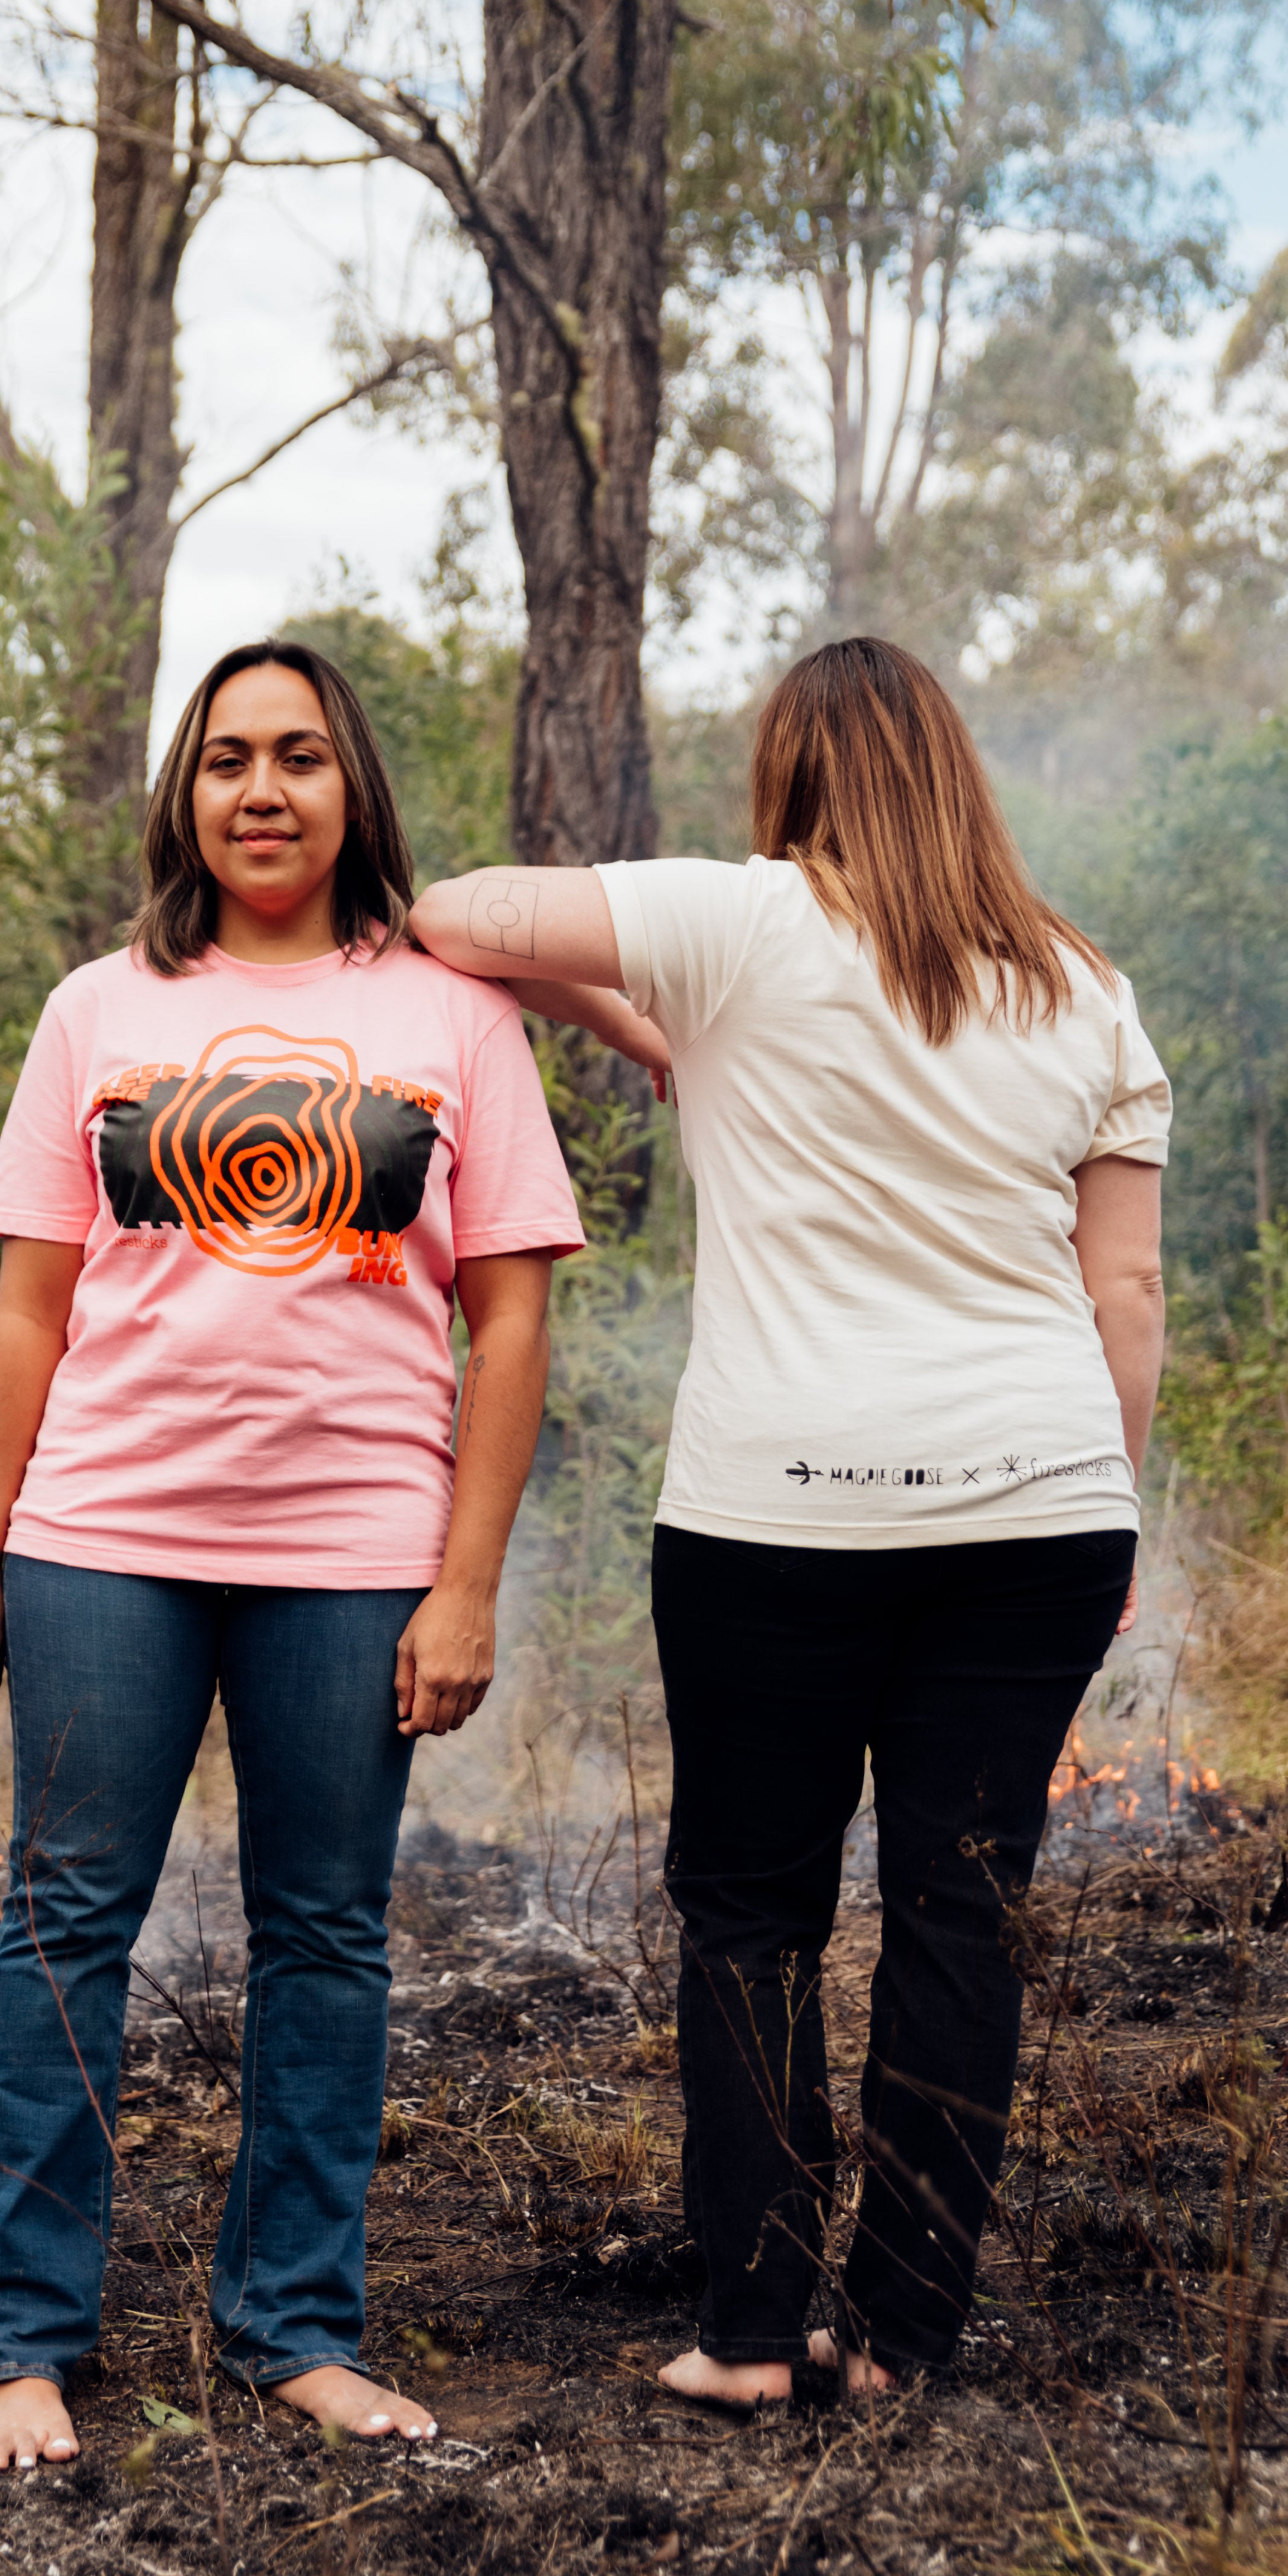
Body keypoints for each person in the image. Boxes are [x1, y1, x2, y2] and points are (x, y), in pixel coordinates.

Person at [411, 637, 1169, 2403]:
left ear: (790, 775)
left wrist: (648, 1023)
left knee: (751, 1914)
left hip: (774, 1515)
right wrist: (1105, 1505)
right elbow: (1120, 1294)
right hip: (1037, 1507)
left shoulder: (735, 922)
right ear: (954, 777)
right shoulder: (1083, 986)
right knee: (953, 1916)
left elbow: (452, 913)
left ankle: (750, 2336)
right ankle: (905, 2339)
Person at [0, 640, 590, 2471]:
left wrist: (460, 1584)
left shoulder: (453, 1016)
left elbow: (512, 1326)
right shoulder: (99, 1008)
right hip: (101, 1539)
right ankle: (16, 2343)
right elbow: (27, 1320)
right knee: (65, 1931)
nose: (263, 790)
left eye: (299, 755)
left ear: (351, 784)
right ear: (185, 793)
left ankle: (293, 2326)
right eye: (226, 759)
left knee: (325, 1939)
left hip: (353, 1549)